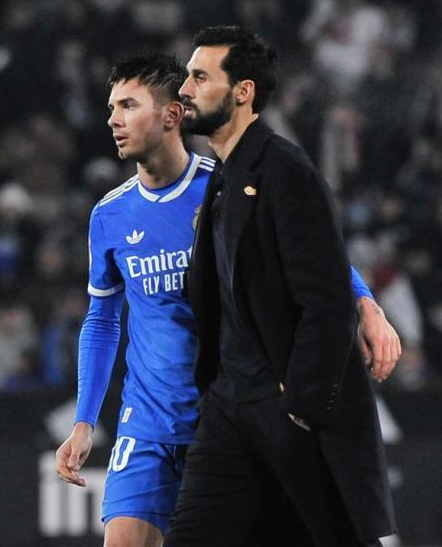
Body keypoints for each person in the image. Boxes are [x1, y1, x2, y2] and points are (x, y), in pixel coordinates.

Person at [55, 52, 399, 547]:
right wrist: (85, 421)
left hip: (223, 417)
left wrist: (366, 304)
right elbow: (102, 320)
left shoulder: (223, 188)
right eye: (112, 107)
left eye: (128, 105)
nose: (112, 119)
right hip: (147, 424)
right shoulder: (109, 215)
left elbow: (309, 249)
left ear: (172, 115)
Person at [162, 25, 396, 546]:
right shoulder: (223, 178)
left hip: (284, 405)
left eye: (200, 77)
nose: (185, 90)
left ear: (242, 92)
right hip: (230, 406)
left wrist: (302, 405)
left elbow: (328, 299)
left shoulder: (285, 171)